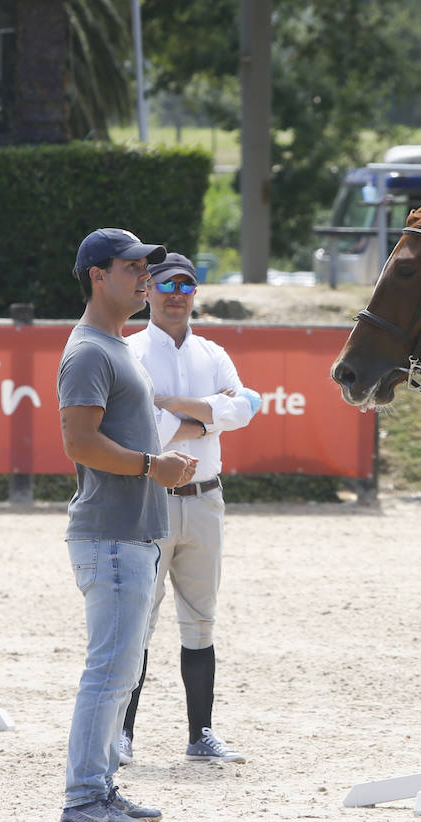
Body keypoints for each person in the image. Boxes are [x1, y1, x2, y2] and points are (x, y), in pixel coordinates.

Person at [57, 228, 198, 822]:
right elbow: (80, 442)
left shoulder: (114, 346)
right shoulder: (90, 350)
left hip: (130, 531)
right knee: (111, 668)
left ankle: (101, 787)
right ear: (98, 275)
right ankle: (85, 797)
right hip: (111, 534)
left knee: (121, 670)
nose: (145, 276)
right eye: (132, 267)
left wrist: (159, 461)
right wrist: (151, 467)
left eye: (148, 266)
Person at [123, 252, 258, 765]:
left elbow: (245, 408)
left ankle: (200, 734)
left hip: (204, 498)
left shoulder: (213, 351)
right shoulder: (129, 351)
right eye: (166, 284)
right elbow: (141, 430)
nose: (176, 293)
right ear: (148, 292)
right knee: (139, 622)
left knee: (200, 622)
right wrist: (206, 413)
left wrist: (173, 405)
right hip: (149, 501)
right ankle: (123, 734)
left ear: (194, 293)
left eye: (186, 285)